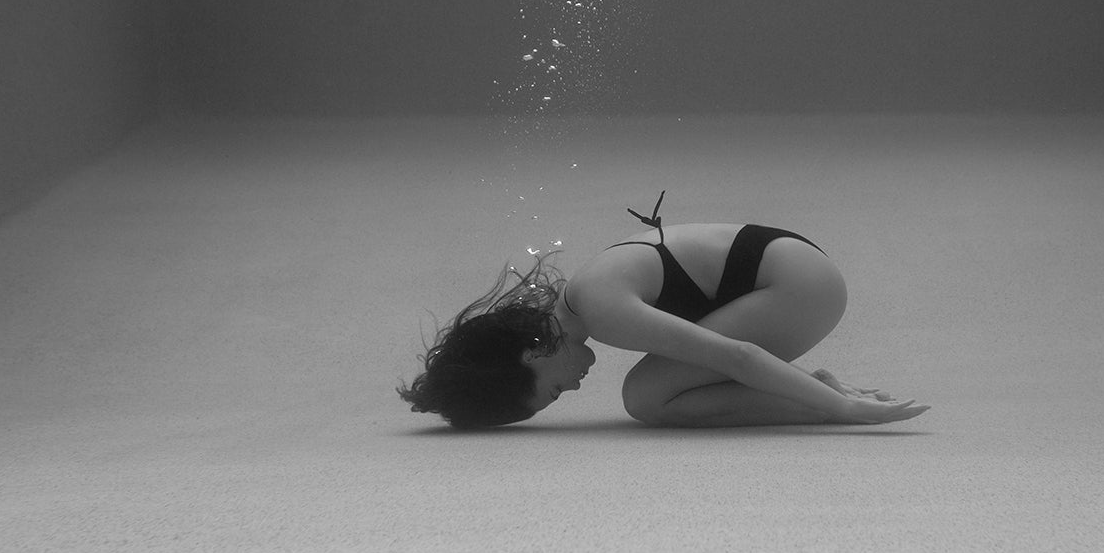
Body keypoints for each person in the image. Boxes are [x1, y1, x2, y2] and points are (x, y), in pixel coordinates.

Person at [398, 192, 929, 429]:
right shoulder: (581, 299)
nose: (576, 391)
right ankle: (819, 392)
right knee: (651, 388)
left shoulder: (599, 307)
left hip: (802, 286)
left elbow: (737, 356)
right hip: (789, 267)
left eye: (554, 391)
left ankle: (823, 403)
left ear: (531, 353)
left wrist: (848, 413)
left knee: (646, 396)